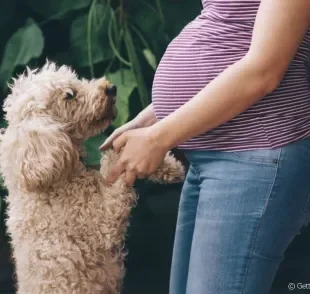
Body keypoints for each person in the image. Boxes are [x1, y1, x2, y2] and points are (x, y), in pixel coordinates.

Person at [100, 0, 310, 293]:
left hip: (255, 155)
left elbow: (265, 70)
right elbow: (230, 32)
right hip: (214, 156)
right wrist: (156, 114)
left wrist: (159, 137)